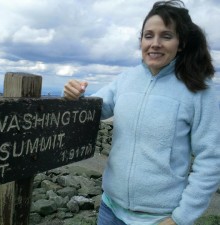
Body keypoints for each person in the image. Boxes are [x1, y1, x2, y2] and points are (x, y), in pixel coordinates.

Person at [63, 1, 220, 225]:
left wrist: (180, 218)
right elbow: (93, 110)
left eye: (166, 36)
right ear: (141, 41)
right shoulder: (126, 79)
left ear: (182, 43)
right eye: (148, 35)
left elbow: (211, 159)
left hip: (160, 218)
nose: (155, 44)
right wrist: (74, 95)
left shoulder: (198, 90)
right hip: (110, 209)